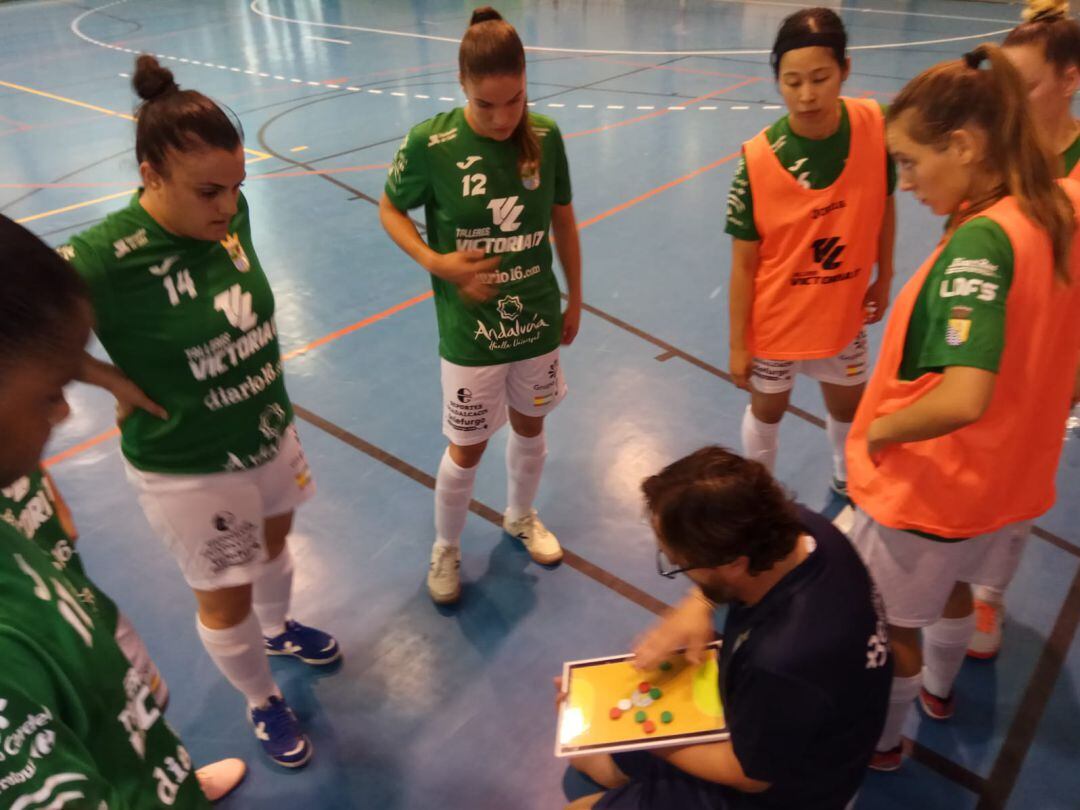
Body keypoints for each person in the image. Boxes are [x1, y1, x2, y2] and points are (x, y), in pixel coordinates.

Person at [60, 55, 340, 768]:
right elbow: (14, 320)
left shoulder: (230, 214)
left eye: (235, 188)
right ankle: (261, 700)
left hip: (267, 429)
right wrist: (99, 374)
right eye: (206, 191)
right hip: (189, 465)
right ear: (150, 174)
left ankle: (279, 631)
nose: (225, 206)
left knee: (276, 545)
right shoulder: (104, 257)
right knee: (225, 593)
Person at [845, 44, 1080, 771]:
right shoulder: (1054, 207)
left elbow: (963, 393)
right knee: (952, 593)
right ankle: (941, 691)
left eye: (913, 162)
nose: (905, 182)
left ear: (965, 145)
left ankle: (883, 742)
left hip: (935, 490)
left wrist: (881, 428)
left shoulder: (983, 240)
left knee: (888, 622)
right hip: (1008, 485)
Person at [0, 214, 246, 807]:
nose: (62, 414)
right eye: (50, 392)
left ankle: (173, 773)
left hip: (72, 620)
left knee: (134, 703)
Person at [380, 6, 582, 604]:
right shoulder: (431, 143)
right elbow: (391, 209)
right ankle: (446, 547)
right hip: (470, 332)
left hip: (537, 318)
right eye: (486, 104)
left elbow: (564, 222)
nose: (501, 118)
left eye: (514, 101)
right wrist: (435, 261)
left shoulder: (545, 136)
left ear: (526, 84)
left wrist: (577, 299)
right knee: (466, 447)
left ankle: (520, 515)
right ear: (462, 86)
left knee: (531, 424)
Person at [563, 447, 891, 810]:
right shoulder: (802, 530)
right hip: (776, 716)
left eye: (680, 564)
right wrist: (699, 603)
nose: (678, 569)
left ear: (734, 564)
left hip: (784, 791)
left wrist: (641, 732)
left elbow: (749, 776)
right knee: (594, 761)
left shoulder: (783, 660)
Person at [726, 7, 896, 496]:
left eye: (820, 78)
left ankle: (847, 480)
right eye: (791, 81)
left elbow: (884, 207)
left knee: (847, 405)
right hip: (778, 321)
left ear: (845, 68)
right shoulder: (757, 159)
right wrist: (739, 343)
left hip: (842, 314)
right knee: (768, 409)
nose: (806, 94)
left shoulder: (873, 127)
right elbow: (743, 264)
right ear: (776, 79)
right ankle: (760, 490)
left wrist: (884, 275)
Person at [964, 0, 1080, 660]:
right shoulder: (994, 153)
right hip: (985, 349)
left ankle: (990, 595)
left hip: (1053, 359)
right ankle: (953, 576)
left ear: (1070, 79)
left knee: (1026, 480)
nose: (1011, 99)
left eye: (1027, 84)